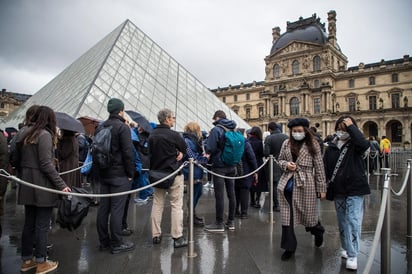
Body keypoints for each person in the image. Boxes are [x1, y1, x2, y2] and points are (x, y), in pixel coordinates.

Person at [13, 106, 71, 274]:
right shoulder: (44, 135)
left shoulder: (23, 133)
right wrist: (62, 185)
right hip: (42, 186)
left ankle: (26, 260)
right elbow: (46, 164)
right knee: (42, 225)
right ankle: (41, 261)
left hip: (27, 185)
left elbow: (15, 159)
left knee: (29, 224)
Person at [323, 116, 371, 270]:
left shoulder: (355, 145)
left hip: (355, 188)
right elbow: (326, 167)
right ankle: (346, 247)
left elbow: (364, 145)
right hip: (338, 189)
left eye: (346, 128)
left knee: (353, 220)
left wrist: (352, 128)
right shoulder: (331, 146)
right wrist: (323, 186)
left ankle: (353, 254)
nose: (342, 131)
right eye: (340, 128)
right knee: (342, 221)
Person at [277, 118, 326, 261]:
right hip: (287, 183)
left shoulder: (313, 144)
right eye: (294, 131)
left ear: (305, 131)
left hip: (306, 183)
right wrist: (286, 164)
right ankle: (289, 248)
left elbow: (319, 167)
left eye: (300, 131)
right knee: (287, 218)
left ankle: (318, 231)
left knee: (309, 216)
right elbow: (279, 160)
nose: (297, 133)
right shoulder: (286, 143)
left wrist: (322, 187)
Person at [95, 98, 135, 254]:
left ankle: (103, 241)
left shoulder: (101, 126)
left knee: (103, 209)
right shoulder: (122, 127)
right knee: (117, 209)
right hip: (119, 174)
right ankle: (117, 243)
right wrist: (130, 173)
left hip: (104, 172)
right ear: (121, 110)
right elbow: (128, 152)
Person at [149, 108, 188, 248]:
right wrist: (181, 155)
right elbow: (185, 149)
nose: (174, 119)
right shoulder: (174, 135)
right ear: (166, 119)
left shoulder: (152, 134)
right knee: (176, 205)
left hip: (157, 175)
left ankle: (155, 235)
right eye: (173, 117)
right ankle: (177, 237)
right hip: (173, 173)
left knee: (157, 204)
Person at [204, 110, 238, 232]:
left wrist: (206, 146)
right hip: (232, 165)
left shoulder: (216, 130)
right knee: (231, 194)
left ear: (217, 118)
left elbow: (210, 148)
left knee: (219, 195)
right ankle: (231, 222)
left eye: (214, 119)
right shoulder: (233, 128)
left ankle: (219, 223)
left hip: (219, 165)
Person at [182, 122, 209, 226]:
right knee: (194, 194)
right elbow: (192, 157)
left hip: (195, 171)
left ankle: (192, 214)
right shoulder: (187, 141)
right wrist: (205, 158)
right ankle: (191, 217)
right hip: (191, 171)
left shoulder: (192, 140)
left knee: (198, 193)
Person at [264, 122, 288, 212]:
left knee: (274, 185)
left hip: (273, 164)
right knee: (285, 183)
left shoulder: (269, 138)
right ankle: (285, 203)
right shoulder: (286, 137)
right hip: (285, 164)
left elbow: (266, 153)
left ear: (270, 129)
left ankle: (277, 204)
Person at [235, 129, 258, 219]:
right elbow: (251, 157)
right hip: (245, 170)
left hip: (234, 171)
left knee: (235, 191)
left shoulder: (232, 142)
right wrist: (255, 170)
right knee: (244, 191)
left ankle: (235, 211)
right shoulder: (245, 142)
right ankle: (244, 213)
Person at [134, 123, 154, 205]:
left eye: (140, 126)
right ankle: (150, 191)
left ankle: (143, 196)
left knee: (142, 178)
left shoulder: (142, 137)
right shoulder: (148, 136)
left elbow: (145, 150)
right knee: (144, 178)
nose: (138, 128)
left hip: (142, 161)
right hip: (145, 161)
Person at [248, 126, 266, 209]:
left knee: (251, 182)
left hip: (250, 164)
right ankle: (257, 200)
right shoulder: (259, 142)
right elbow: (262, 154)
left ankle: (252, 200)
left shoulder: (248, 141)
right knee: (259, 183)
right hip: (259, 164)